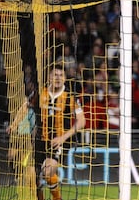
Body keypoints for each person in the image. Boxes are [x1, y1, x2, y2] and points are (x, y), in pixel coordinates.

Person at [36, 64, 85, 200]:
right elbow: (25, 105)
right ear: (49, 77)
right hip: (39, 139)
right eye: (54, 74)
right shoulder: (40, 93)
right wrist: (15, 124)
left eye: (61, 75)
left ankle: (57, 198)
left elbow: (82, 121)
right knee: (31, 177)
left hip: (57, 141)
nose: (57, 78)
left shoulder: (70, 97)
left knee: (48, 171)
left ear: (65, 78)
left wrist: (63, 137)